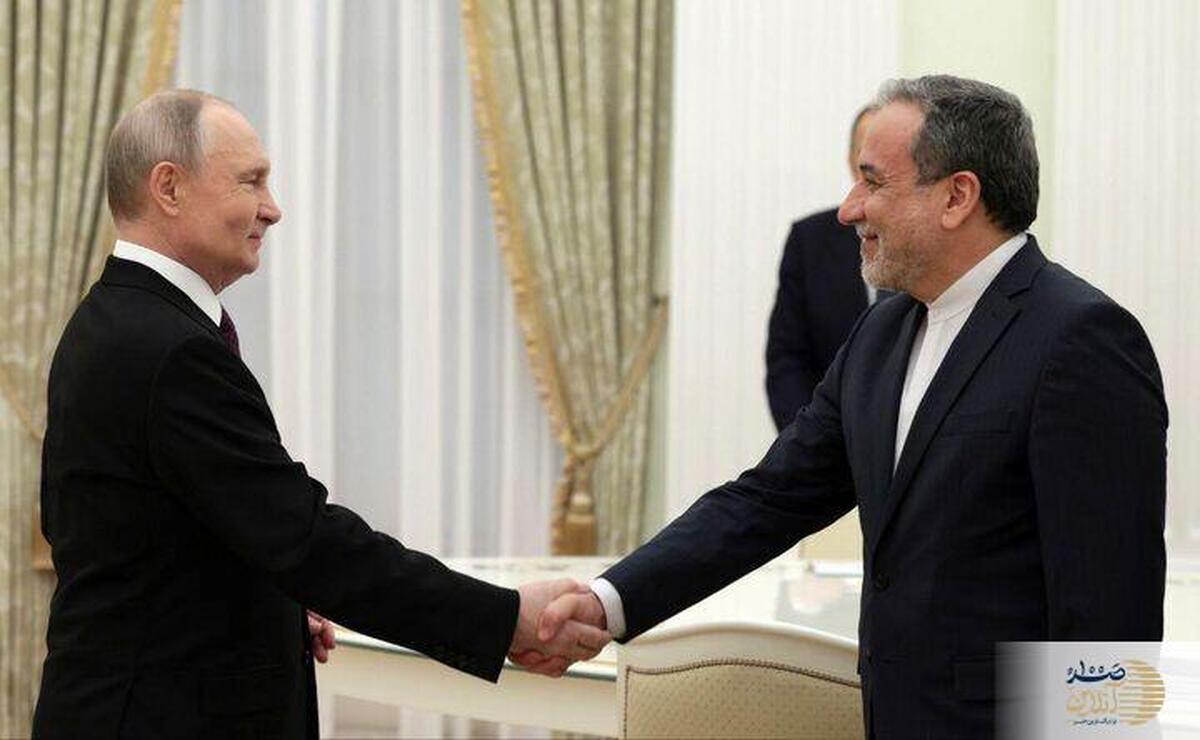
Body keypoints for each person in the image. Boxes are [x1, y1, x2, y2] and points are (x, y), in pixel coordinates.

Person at [535, 75, 1168, 738]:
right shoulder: (880, 333)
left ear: (957, 197)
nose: (848, 209)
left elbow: (1107, 622)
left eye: (872, 182)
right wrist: (607, 603)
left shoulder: (1080, 339)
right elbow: (769, 498)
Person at [33, 90, 607, 739]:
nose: (272, 208)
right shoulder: (167, 348)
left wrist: (266, 609)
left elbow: (143, 535)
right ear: (169, 187)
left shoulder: (115, 320)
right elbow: (302, 537)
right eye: (251, 181)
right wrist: (505, 619)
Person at [766, 106, 886, 431]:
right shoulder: (810, 240)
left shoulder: (931, 241)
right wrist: (808, 443)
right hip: (826, 439)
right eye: (867, 162)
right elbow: (787, 359)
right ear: (851, 162)